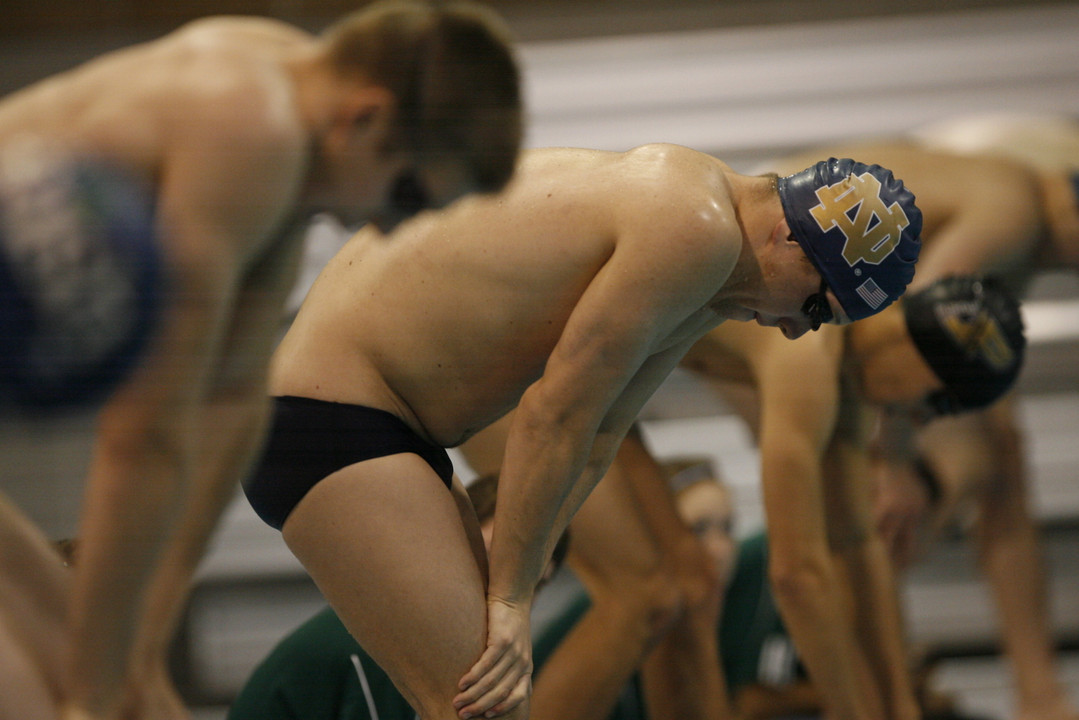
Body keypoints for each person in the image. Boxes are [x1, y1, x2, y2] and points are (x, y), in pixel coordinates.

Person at [241, 149, 923, 720]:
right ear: (787, 236)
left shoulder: (717, 266)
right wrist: (509, 598)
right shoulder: (696, 225)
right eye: (812, 307)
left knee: (483, 699)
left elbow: (601, 433)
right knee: (481, 703)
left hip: (375, 422)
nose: (798, 331)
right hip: (327, 415)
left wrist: (528, 559)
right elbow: (553, 413)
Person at [0, 2, 523, 719]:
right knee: (47, 693)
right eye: (407, 192)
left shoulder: (291, 118)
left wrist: (142, 647)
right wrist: (95, 695)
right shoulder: (249, 127)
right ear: (365, 117)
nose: (390, 226)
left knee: (115, 688)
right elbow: (145, 434)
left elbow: (230, 412)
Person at [767, 118, 1079, 720]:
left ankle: (1024, 691)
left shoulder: (994, 200)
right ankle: (872, 686)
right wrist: (900, 460)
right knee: (873, 497)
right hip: (788, 302)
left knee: (998, 447)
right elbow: (912, 326)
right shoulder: (1015, 204)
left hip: (816, 299)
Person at [226, 472, 571, 720]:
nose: (501, 596)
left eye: (532, 584)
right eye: (492, 564)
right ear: (453, 548)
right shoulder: (375, 644)